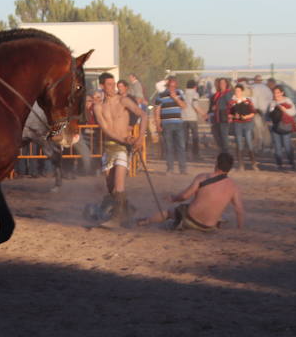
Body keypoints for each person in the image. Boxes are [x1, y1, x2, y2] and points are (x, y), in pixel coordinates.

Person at [92, 72, 148, 227]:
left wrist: (140, 138)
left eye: (113, 83)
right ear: (102, 86)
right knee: (111, 189)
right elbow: (106, 129)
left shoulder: (123, 100)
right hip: (110, 147)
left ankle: (117, 219)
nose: (113, 87)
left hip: (124, 147)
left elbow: (143, 115)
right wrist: (122, 139)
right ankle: (127, 209)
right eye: (109, 84)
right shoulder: (98, 107)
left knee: (119, 184)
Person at [137, 152, 245, 231]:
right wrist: (240, 229)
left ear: (216, 163)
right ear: (230, 168)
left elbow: (184, 196)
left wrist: (173, 198)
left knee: (169, 212)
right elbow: (239, 210)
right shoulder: (234, 187)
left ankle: (146, 221)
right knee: (222, 216)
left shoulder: (202, 177)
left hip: (190, 219)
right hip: (208, 227)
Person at [154, 75, 188, 174]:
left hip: (178, 124)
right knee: (169, 147)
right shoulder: (161, 95)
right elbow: (157, 111)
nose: (173, 87)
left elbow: (184, 106)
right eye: (171, 85)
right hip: (166, 124)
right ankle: (170, 168)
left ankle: (183, 169)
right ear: (168, 85)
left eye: (174, 85)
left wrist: (176, 98)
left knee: (181, 146)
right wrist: (158, 125)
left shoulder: (179, 93)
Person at [228, 83, 259, 170]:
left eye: (239, 90)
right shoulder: (232, 102)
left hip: (247, 123)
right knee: (239, 142)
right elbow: (229, 114)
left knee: (249, 142)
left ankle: (253, 163)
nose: (237, 92)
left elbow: (253, 112)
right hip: (237, 123)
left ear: (242, 91)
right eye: (236, 91)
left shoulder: (247, 101)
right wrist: (234, 116)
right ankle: (241, 164)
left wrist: (246, 117)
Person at [267, 85, 296, 170]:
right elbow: (270, 115)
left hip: (285, 126)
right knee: (277, 147)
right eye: (275, 93)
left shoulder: (287, 100)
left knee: (287, 147)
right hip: (275, 127)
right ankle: (279, 164)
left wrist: (284, 109)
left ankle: (291, 162)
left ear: (282, 93)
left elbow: (293, 112)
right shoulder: (272, 102)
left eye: (278, 92)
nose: (276, 94)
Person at [181, 79, 205, 162]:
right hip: (192, 118)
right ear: (195, 86)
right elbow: (195, 105)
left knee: (185, 137)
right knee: (195, 137)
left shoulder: (183, 94)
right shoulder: (195, 94)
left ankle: (185, 154)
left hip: (183, 117)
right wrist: (203, 114)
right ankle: (195, 154)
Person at [209, 78, 233, 154]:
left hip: (224, 116)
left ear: (226, 84)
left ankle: (225, 152)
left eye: (223, 83)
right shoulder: (218, 94)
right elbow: (215, 104)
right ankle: (223, 151)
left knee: (224, 135)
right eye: (220, 83)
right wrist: (214, 107)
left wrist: (230, 115)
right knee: (218, 135)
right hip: (217, 116)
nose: (222, 84)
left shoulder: (228, 93)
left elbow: (230, 104)